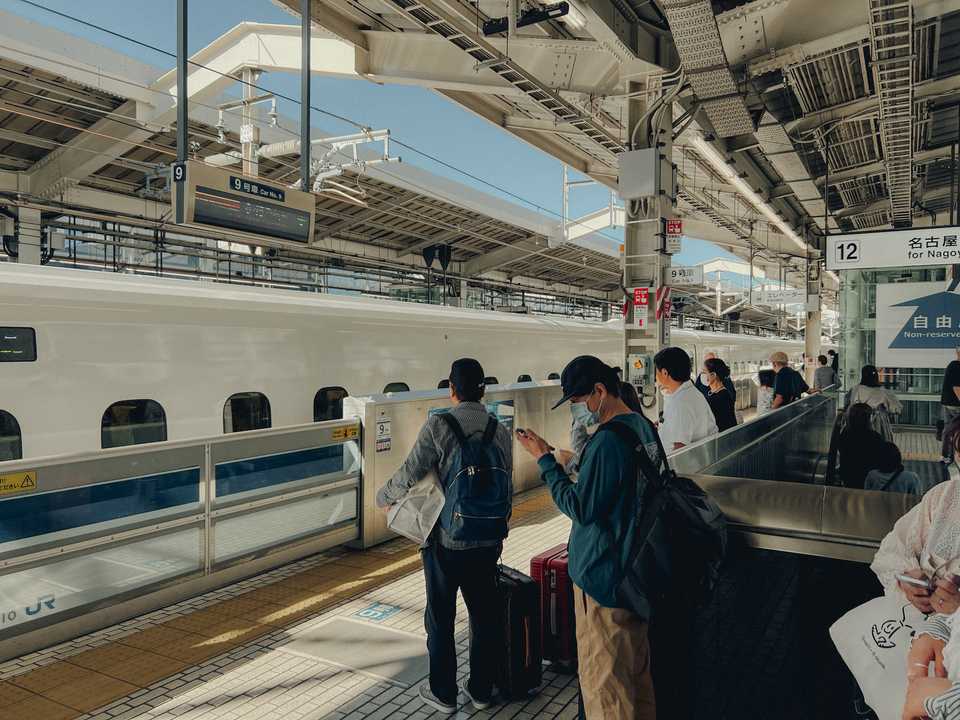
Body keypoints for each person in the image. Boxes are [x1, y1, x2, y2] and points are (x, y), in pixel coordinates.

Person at [516, 355, 659, 719]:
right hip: (635, 574)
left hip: (605, 580)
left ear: (599, 391)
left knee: (606, 689)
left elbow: (581, 508)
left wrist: (545, 461)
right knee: (636, 681)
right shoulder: (643, 428)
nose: (578, 411)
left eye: (579, 402)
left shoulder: (608, 441)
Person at [376, 358, 513, 714]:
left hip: (447, 543)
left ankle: (444, 693)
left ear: (451, 389)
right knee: (484, 616)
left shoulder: (439, 424)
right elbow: (507, 482)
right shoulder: (500, 428)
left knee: (441, 616)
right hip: (488, 539)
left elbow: (411, 471)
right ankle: (482, 690)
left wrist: (383, 498)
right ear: (484, 389)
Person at [871, 432, 960, 719]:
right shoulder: (944, 497)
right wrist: (908, 580)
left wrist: (955, 612)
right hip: (910, 655)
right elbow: (891, 549)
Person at [655, 346, 718, 452]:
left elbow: (679, 449)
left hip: (684, 466)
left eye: (657, 372)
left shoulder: (680, 403)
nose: (656, 377)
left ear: (665, 373)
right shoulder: (688, 394)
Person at [836, 403, 886, 490]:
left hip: (848, 475)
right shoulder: (875, 437)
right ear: (867, 419)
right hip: (869, 477)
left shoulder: (845, 434)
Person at [848, 365, 902, 442]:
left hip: (856, 422)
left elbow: (849, 403)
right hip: (878, 424)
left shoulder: (855, 389)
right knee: (879, 446)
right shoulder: (884, 392)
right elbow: (897, 409)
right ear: (876, 375)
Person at [703, 357, 738, 432]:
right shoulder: (719, 393)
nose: (702, 375)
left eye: (704, 372)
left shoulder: (720, 397)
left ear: (713, 375)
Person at [941, 350, 960, 460]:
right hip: (956, 406)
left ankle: (947, 455)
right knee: (952, 430)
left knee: (949, 430)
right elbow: (957, 388)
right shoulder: (957, 367)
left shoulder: (952, 365)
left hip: (947, 404)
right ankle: (949, 455)